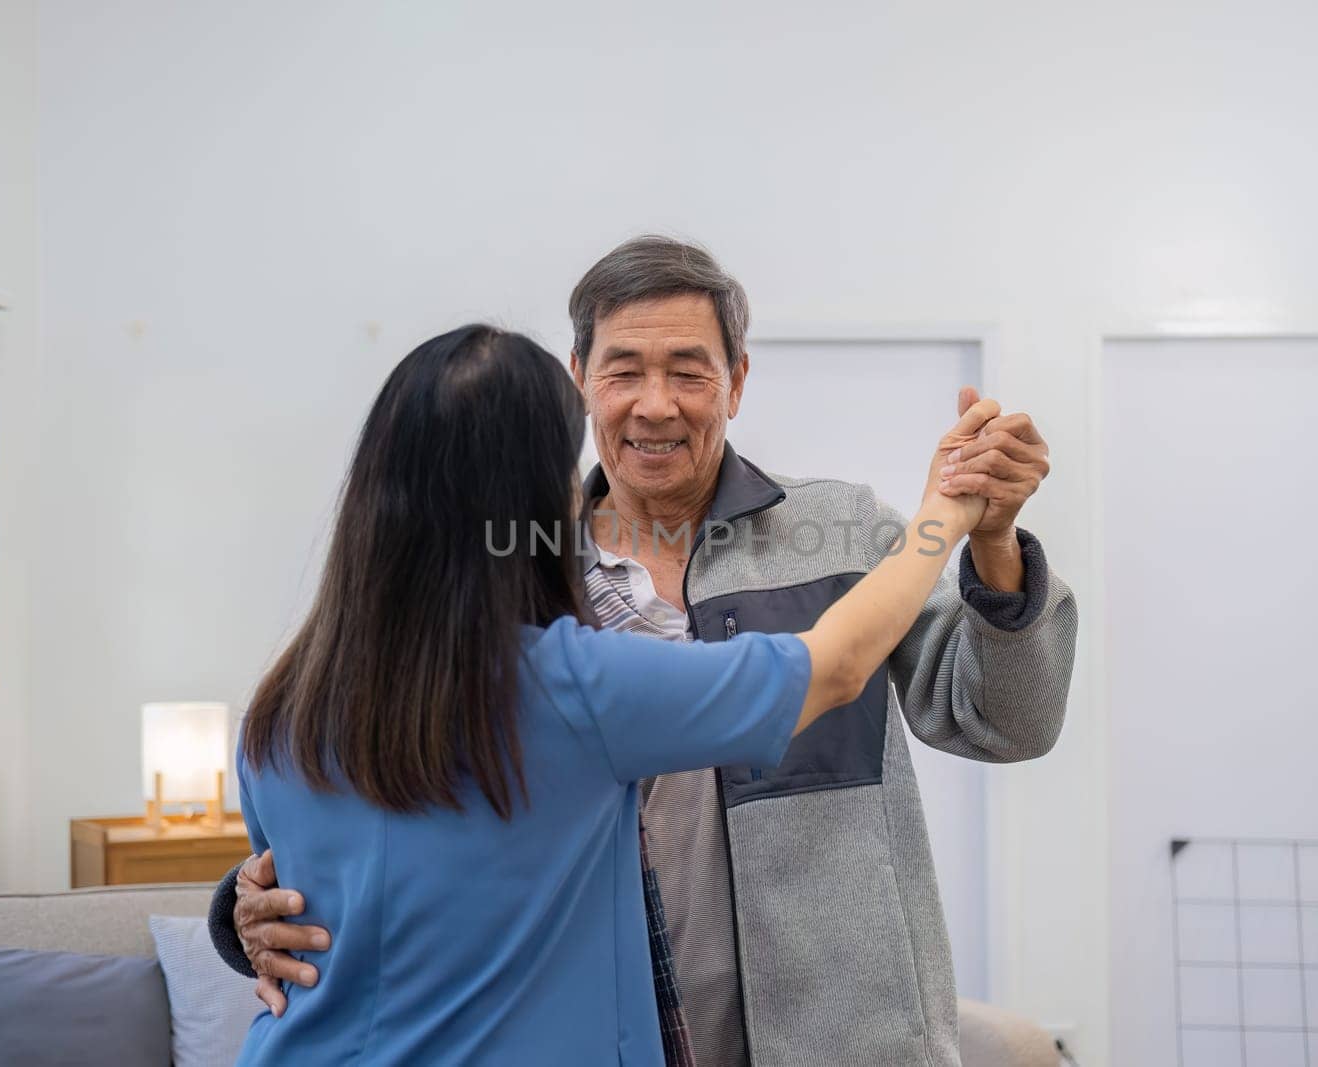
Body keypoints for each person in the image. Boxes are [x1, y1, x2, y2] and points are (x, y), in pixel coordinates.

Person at [212, 237, 1079, 1067]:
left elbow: (1011, 724)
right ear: (582, 381)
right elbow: (398, 809)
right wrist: (243, 906)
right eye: (624, 369)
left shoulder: (846, 533)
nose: (655, 403)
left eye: (689, 371)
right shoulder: (506, 593)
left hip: (840, 1039)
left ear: (736, 383)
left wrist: (992, 540)